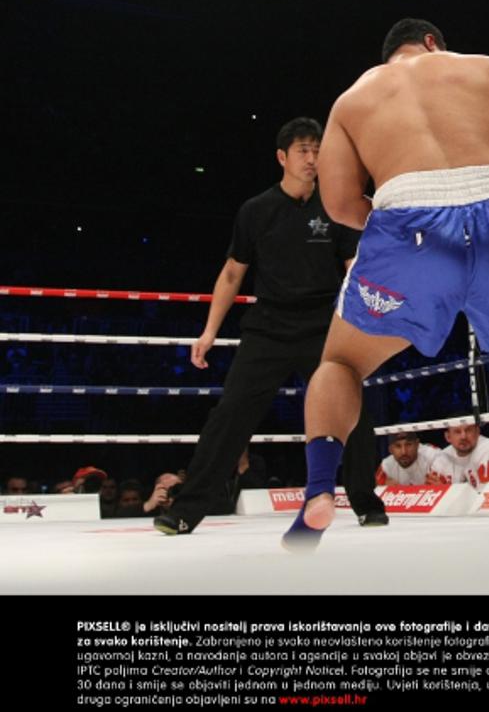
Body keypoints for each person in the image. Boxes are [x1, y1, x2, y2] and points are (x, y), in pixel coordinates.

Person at [282, 18, 489, 549]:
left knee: (341, 363)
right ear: (434, 44)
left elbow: (340, 205)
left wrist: (406, 227)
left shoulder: (352, 99)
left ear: (389, 54)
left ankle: (319, 493)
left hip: (408, 226)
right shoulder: (483, 67)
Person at [155, 118, 385, 536]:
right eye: (303, 150)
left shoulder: (336, 205)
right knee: (230, 416)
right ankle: (186, 509)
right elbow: (231, 273)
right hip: (268, 326)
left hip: (323, 326)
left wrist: (365, 321)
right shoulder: (256, 210)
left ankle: (366, 501)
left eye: (318, 149)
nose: (313, 158)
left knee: (350, 409)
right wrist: (209, 332)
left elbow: (354, 267)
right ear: (283, 157)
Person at [430, 422, 489, 487]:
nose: (463, 436)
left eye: (468, 430)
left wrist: (448, 492)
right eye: (457, 432)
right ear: (448, 437)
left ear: (477, 431)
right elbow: (434, 492)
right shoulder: (441, 457)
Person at [376, 431, 441, 486]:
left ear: (417, 444)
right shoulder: (386, 466)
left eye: (408, 444)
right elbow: (372, 491)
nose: (404, 452)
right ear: (390, 449)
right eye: (398, 446)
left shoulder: (433, 455)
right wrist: (383, 488)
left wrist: (441, 486)